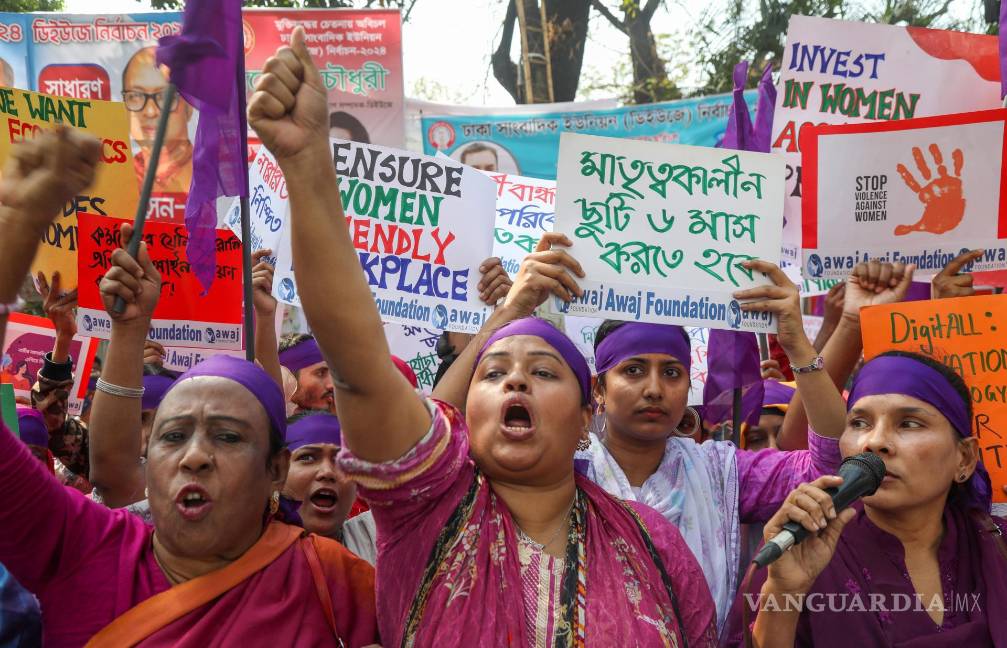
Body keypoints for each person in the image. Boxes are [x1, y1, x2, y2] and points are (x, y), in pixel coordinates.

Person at [248, 27, 719, 646]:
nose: (516, 378)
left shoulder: (653, 541)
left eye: (545, 372)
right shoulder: (426, 505)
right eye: (493, 373)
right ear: (459, 413)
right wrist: (309, 166)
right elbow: (358, 366)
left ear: (587, 418)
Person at [0, 127, 378, 646]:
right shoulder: (82, 546)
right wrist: (14, 234)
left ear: (277, 468)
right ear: (146, 459)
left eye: (227, 437)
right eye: (173, 436)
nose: (195, 457)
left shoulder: (334, 579)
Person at [740, 351, 1007, 647]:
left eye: (909, 424)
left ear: (965, 458)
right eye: (859, 423)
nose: (874, 441)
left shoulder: (996, 545)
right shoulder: (798, 543)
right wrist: (783, 594)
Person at [283, 411, 377, 564]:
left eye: (341, 460)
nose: (327, 472)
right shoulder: (247, 550)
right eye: (307, 457)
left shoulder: (376, 538)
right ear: (276, 472)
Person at [122, 46, 194, 198]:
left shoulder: (208, 175)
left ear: (189, 107)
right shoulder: (119, 178)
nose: (150, 112)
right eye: (135, 96)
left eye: (164, 96)